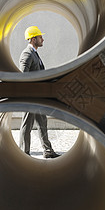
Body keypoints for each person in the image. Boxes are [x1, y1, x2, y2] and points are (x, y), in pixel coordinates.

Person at [18, 26, 60, 158]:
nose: (43, 39)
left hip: (38, 96)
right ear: (33, 39)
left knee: (42, 122)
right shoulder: (27, 54)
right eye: (40, 37)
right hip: (30, 96)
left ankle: (47, 151)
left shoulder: (35, 53)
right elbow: (23, 75)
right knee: (27, 125)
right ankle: (24, 152)